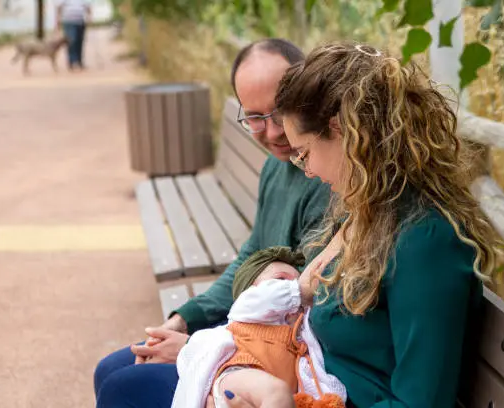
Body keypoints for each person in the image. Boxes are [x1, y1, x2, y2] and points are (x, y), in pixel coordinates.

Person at [223, 42, 501, 408]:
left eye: (305, 153)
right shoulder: (368, 212)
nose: (307, 171)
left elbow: (422, 403)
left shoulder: (426, 240)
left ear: (343, 132)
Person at [93, 39, 332, 408]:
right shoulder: (275, 166)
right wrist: (184, 319)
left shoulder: (325, 176)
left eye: (280, 110)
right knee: (109, 370)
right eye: (255, 117)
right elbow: (252, 253)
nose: (271, 133)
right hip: (248, 334)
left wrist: (193, 350)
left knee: (122, 387)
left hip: (275, 359)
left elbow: (305, 315)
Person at [171, 246, 346, 408]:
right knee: (277, 393)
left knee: (282, 396)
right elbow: (267, 296)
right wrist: (300, 289)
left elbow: (313, 377)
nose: (292, 284)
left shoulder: (302, 333)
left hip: (267, 396)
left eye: (297, 280)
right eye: (281, 280)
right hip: (239, 373)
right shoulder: (249, 306)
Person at [55, 0, 91, 71]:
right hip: (68, 21)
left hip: (80, 21)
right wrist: (58, 19)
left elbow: (88, 6)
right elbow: (59, 7)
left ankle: (79, 61)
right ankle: (71, 61)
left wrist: (89, 16)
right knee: (72, 40)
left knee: (80, 41)